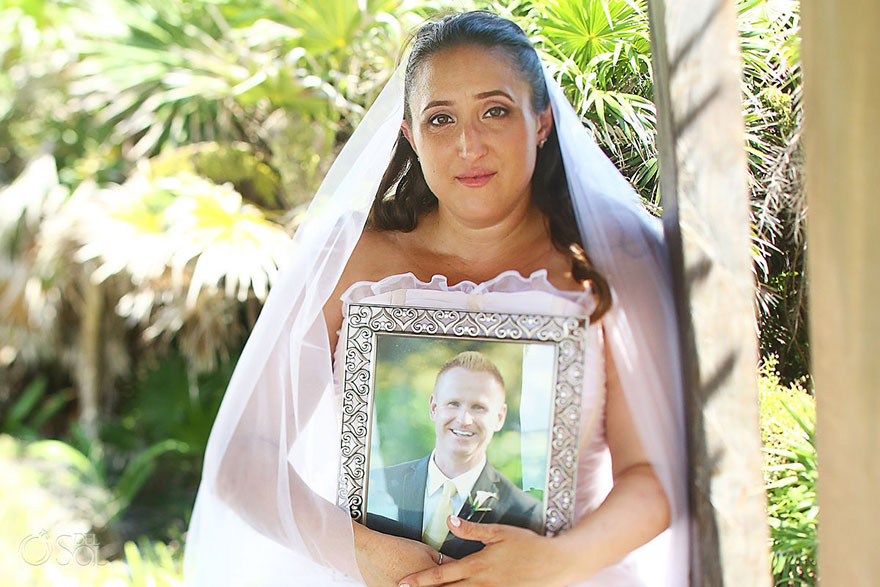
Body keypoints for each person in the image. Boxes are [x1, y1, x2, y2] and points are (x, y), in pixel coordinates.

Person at [184, 10, 688, 587]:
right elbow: (242, 456)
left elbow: (654, 476)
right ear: (411, 136)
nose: (468, 144)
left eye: (495, 111)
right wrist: (365, 554)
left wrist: (553, 562)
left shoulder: (612, 262)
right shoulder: (349, 259)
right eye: (441, 119)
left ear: (542, 122)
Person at [366, 351, 543, 558]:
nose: (464, 419)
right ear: (434, 408)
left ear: (499, 417)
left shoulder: (525, 514)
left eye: (478, 407)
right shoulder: (375, 486)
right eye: (453, 403)